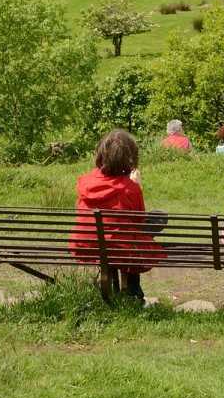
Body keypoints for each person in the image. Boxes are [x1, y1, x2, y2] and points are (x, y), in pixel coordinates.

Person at [69, 129, 161, 301]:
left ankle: (116, 290)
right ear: (130, 157)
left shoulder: (86, 182)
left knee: (121, 236)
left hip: (88, 245)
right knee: (140, 232)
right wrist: (136, 186)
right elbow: (139, 220)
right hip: (120, 248)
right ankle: (133, 293)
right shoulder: (129, 189)